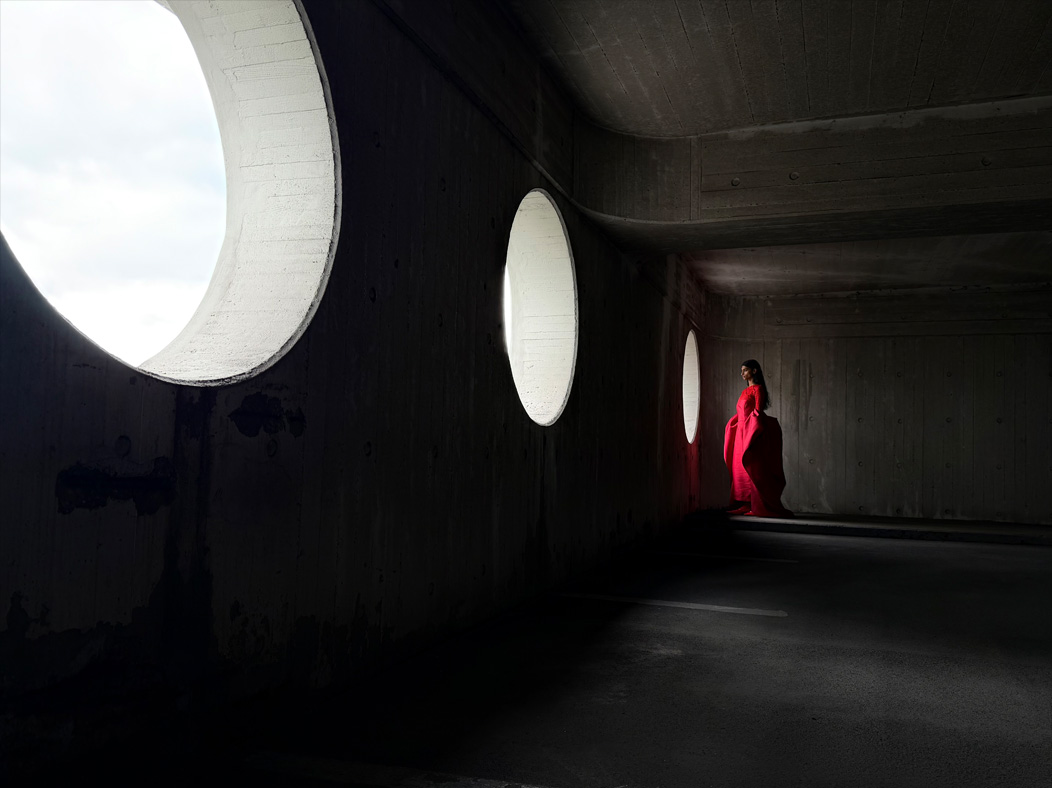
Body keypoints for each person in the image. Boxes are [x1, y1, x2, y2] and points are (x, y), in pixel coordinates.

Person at [723, 359, 793, 517]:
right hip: (740, 433)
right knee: (739, 470)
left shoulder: (758, 389)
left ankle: (756, 506)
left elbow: (757, 412)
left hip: (751, 433)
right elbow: (741, 413)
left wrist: (750, 431)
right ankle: (745, 504)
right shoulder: (743, 391)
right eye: (741, 370)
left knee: (752, 468)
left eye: (745, 370)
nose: (742, 374)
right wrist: (734, 424)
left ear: (754, 371)